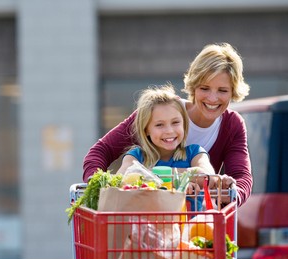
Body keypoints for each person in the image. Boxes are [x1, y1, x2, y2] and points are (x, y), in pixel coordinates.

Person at [83, 42, 252, 207]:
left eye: (222, 90)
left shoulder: (231, 126)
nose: (213, 98)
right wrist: (96, 187)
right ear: (193, 86)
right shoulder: (162, 110)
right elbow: (102, 152)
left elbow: (239, 176)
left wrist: (231, 194)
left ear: (233, 92)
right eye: (204, 88)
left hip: (194, 220)